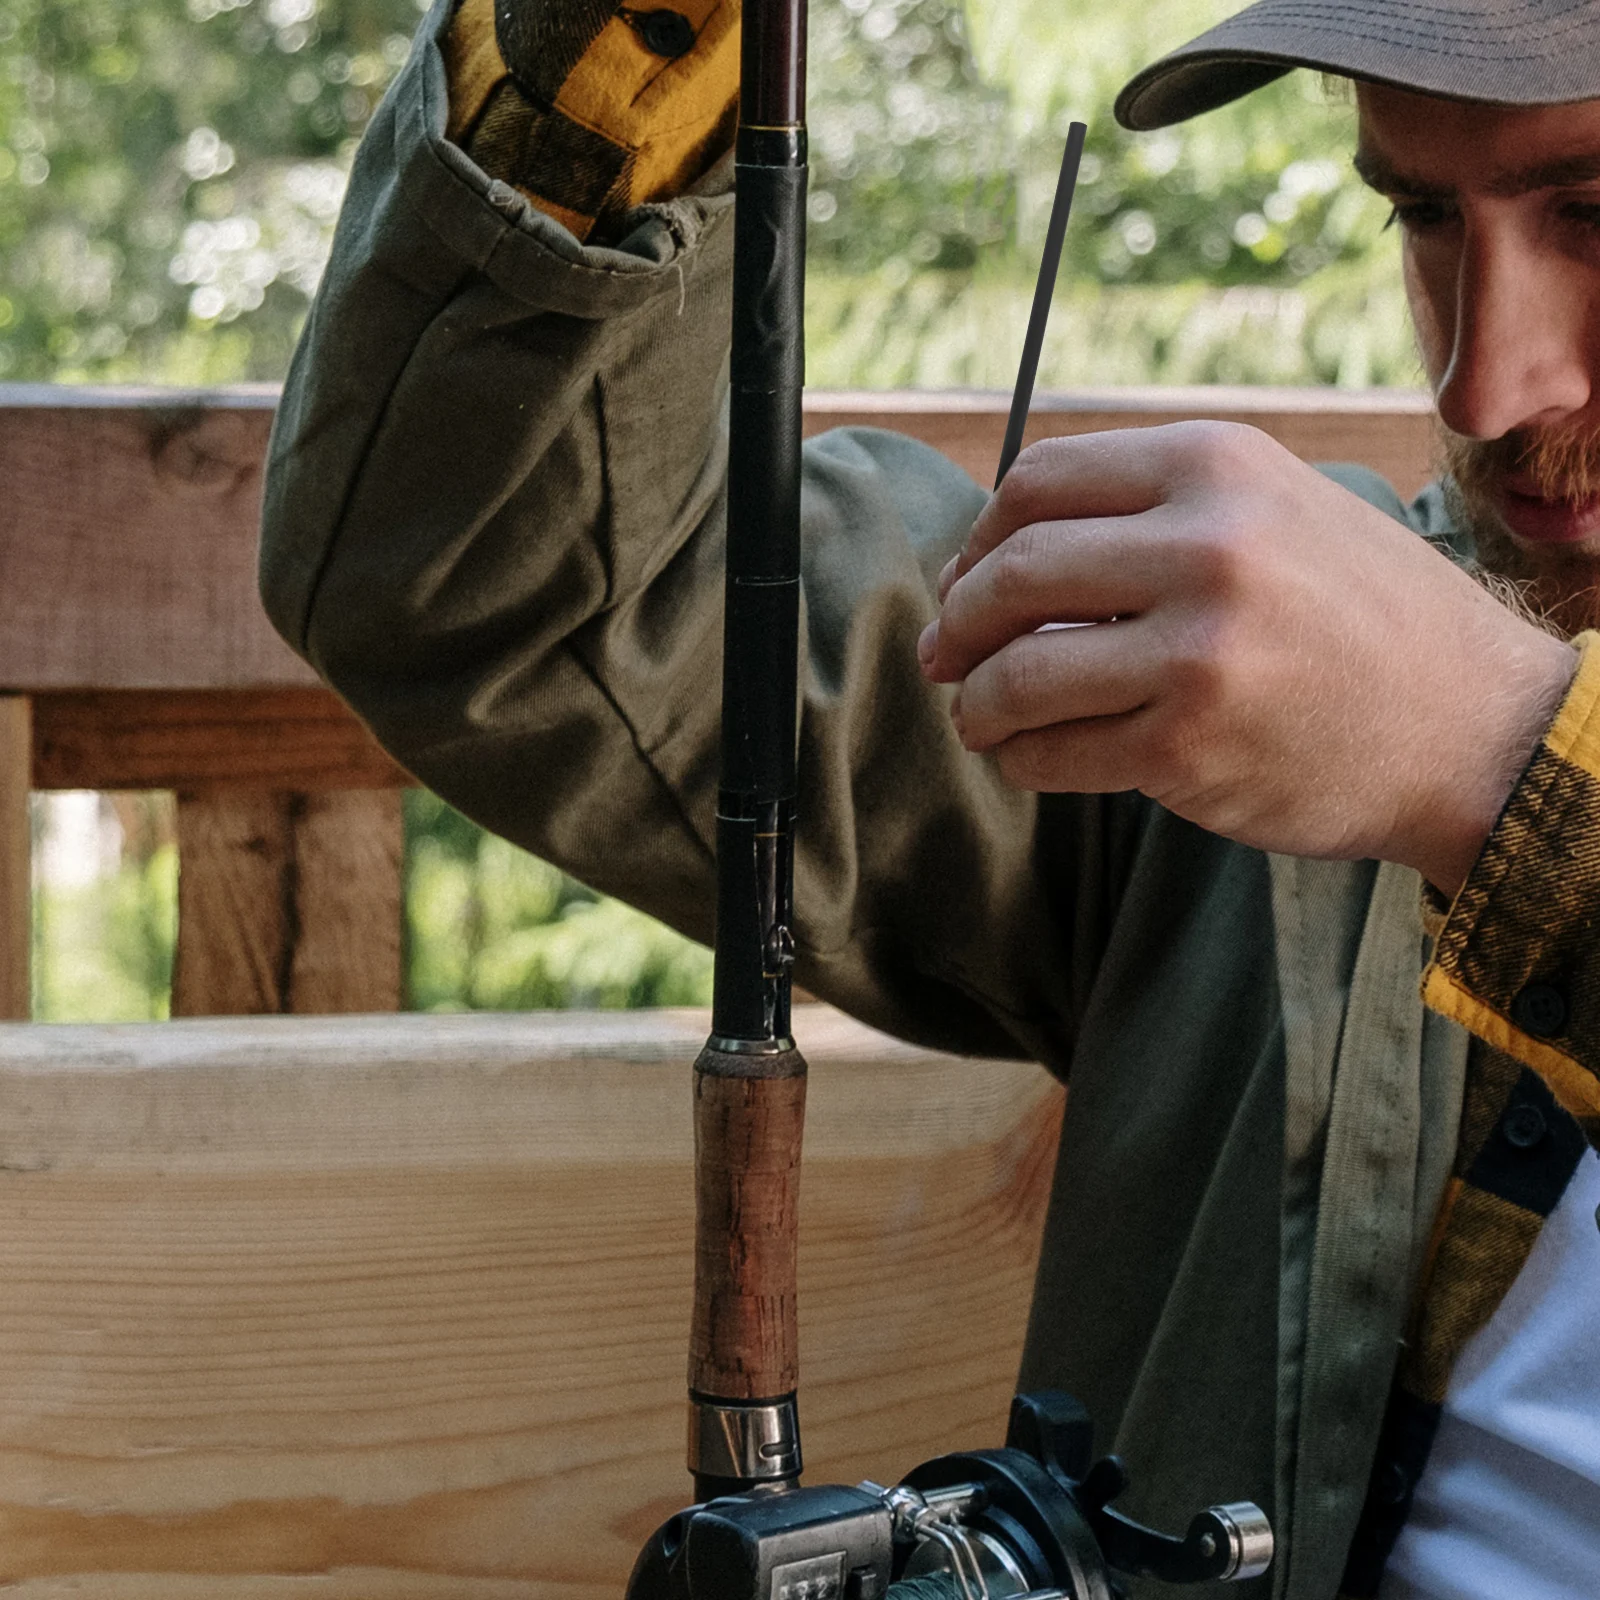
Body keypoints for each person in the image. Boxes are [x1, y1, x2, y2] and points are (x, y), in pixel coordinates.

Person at [258, 0, 1600, 1594]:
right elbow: (494, 592)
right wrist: (622, 47)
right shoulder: (1269, 736)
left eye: (1591, 210)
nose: (1485, 379)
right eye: (1423, 213)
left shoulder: (1419, 723)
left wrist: (1506, 775)